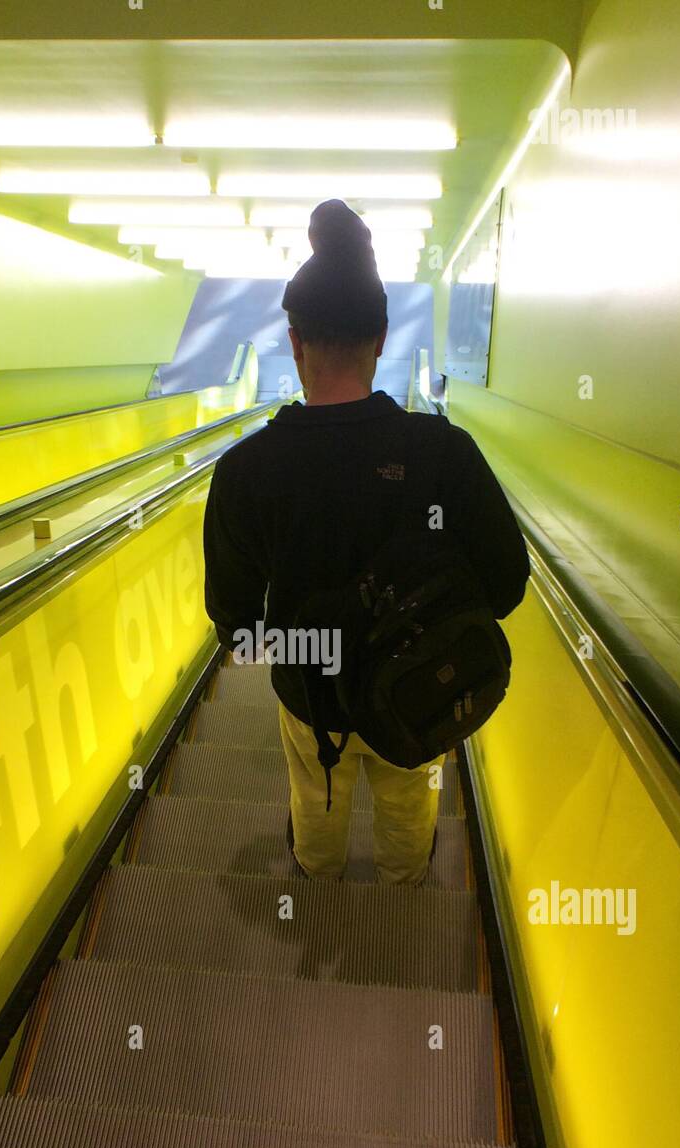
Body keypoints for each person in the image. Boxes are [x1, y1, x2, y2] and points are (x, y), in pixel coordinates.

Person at [203, 199, 530, 886]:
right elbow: (505, 584)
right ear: (382, 337)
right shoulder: (444, 453)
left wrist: (314, 642)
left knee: (316, 804)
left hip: (310, 698)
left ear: (295, 343)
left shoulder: (245, 471)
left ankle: (318, 878)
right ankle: (402, 883)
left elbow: (238, 628)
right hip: (422, 689)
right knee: (409, 804)